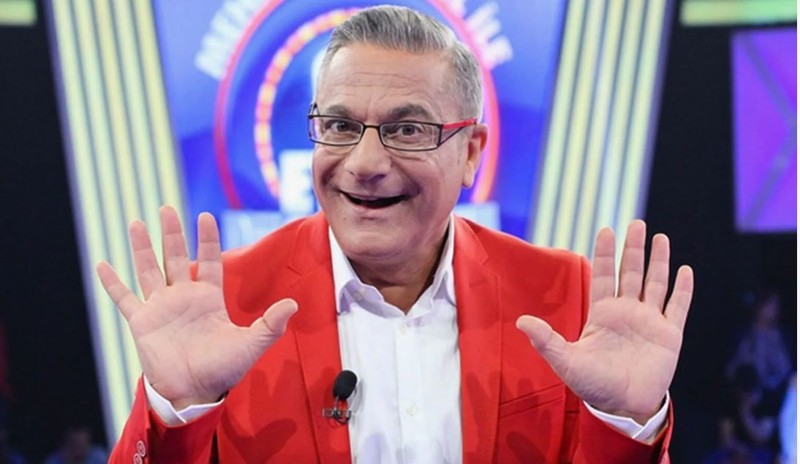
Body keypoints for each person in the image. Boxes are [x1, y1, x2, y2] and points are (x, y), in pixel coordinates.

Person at [97, 6, 694, 463]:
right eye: (339, 125)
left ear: (471, 153)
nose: (364, 162)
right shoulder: (225, 304)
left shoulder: (565, 296)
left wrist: (624, 424)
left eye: (407, 130)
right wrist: (176, 412)